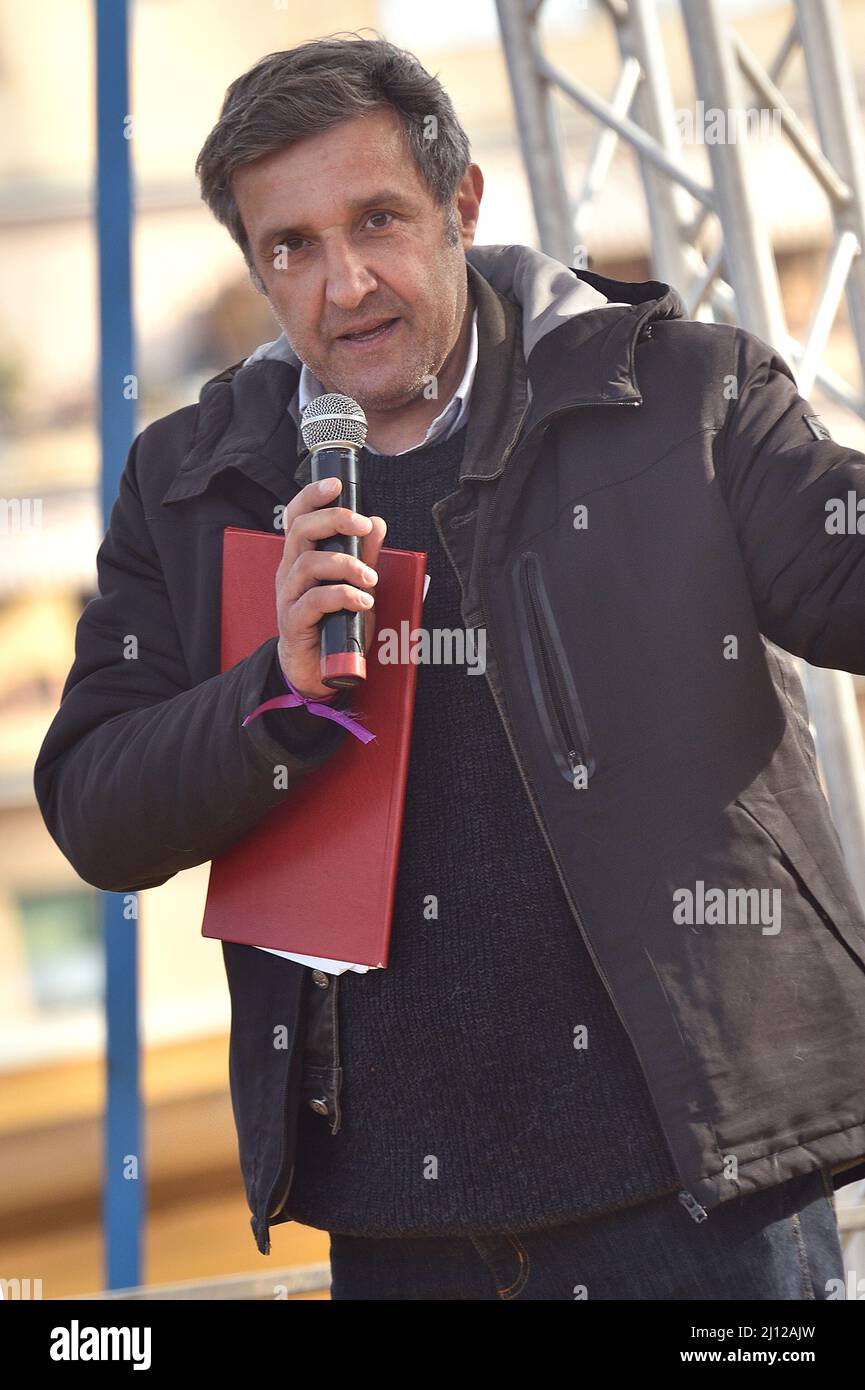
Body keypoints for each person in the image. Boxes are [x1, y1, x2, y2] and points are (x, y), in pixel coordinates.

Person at [34, 34, 865, 1301]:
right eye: (290, 247)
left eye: (377, 219)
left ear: (461, 205)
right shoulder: (193, 486)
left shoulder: (681, 397)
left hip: (694, 1207)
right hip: (396, 1232)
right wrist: (276, 694)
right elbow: (96, 805)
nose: (343, 282)